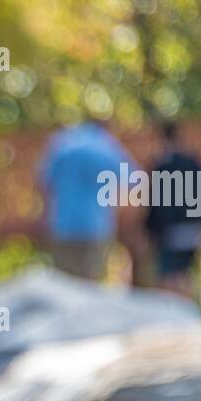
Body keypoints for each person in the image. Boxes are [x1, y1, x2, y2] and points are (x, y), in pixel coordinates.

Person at [37, 119, 133, 281]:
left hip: (62, 226)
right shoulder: (106, 146)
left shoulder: (61, 144)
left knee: (63, 285)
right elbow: (133, 179)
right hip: (95, 227)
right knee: (90, 287)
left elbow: (44, 183)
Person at [144, 122, 201, 297]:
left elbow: (156, 202)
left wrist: (150, 228)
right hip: (193, 228)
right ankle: (187, 309)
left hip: (170, 230)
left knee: (168, 274)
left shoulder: (162, 165)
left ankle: (173, 314)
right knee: (185, 273)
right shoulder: (194, 162)